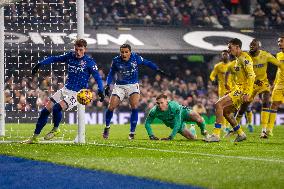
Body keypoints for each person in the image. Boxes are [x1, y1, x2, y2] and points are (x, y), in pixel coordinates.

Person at [22, 39, 105, 144]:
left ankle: (56, 129)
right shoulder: (70, 56)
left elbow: (97, 77)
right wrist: (39, 64)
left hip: (77, 94)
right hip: (65, 89)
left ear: (85, 49)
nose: (78, 52)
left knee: (57, 108)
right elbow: (54, 58)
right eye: (76, 49)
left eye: (80, 50)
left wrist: (101, 90)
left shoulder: (89, 62)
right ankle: (34, 137)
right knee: (45, 111)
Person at [103, 44, 169, 140]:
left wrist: (157, 69)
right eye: (122, 52)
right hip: (120, 86)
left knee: (134, 106)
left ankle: (132, 133)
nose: (124, 54)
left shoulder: (135, 57)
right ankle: (107, 127)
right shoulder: (116, 60)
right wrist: (108, 84)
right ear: (120, 52)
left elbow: (147, 62)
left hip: (133, 85)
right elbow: (111, 73)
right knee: (111, 107)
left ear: (130, 52)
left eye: (126, 52)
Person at [205, 38, 255, 143]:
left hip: (242, 90)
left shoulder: (244, 58)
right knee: (226, 112)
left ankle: (216, 134)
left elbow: (251, 76)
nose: (228, 50)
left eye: (230, 47)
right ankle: (241, 134)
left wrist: (247, 92)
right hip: (237, 89)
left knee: (218, 105)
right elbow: (241, 78)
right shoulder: (237, 60)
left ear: (237, 47)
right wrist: (232, 90)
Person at [233, 39, 284, 136]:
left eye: (254, 45)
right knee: (243, 106)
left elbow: (279, 65)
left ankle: (264, 130)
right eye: (250, 45)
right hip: (250, 84)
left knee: (266, 100)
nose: (251, 47)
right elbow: (240, 71)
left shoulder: (265, 55)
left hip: (263, 83)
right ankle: (235, 126)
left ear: (259, 46)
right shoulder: (245, 57)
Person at [262, 36, 284, 138]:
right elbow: (278, 71)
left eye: (281, 41)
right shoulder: (278, 55)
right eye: (278, 42)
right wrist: (274, 83)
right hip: (279, 84)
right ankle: (269, 130)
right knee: (274, 105)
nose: (279, 43)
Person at [209, 50, 234, 133]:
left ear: (229, 55)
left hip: (231, 89)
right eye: (223, 55)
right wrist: (213, 80)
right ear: (221, 56)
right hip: (222, 90)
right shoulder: (218, 66)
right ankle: (224, 126)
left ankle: (228, 125)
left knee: (229, 108)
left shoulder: (233, 65)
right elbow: (212, 75)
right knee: (222, 107)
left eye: (226, 54)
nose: (224, 56)